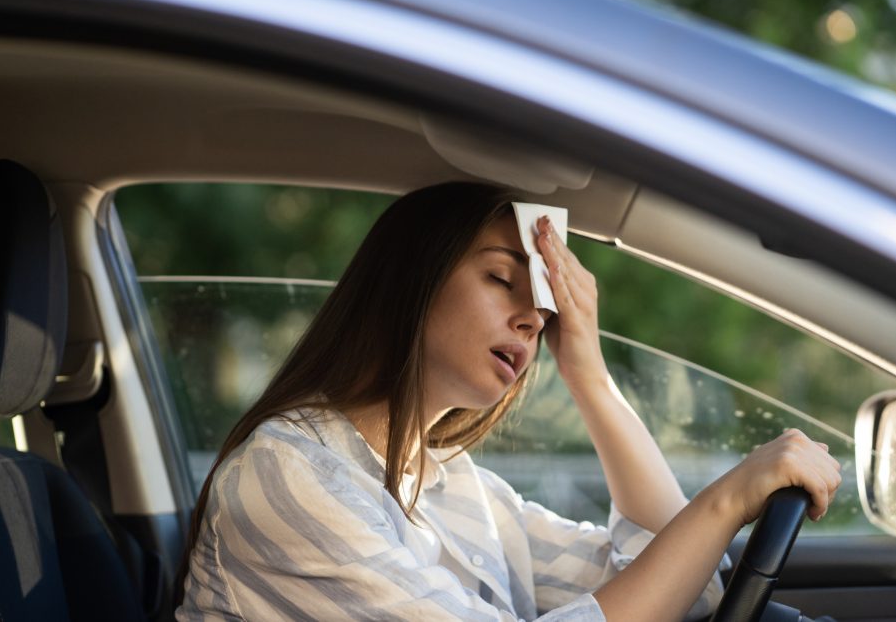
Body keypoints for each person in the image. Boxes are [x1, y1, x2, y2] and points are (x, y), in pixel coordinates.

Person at [175, 182, 842, 621]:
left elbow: (687, 587)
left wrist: (588, 373)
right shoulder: (286, 475)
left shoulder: (461, 490)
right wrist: (728, 498)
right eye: (501, 277)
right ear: (413, 279)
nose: (532, 318)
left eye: (544, 307)